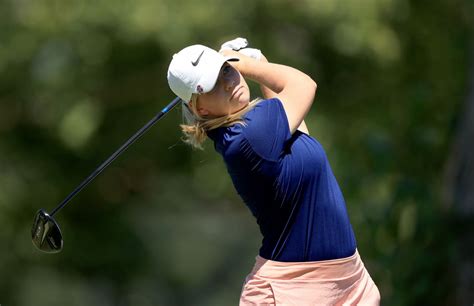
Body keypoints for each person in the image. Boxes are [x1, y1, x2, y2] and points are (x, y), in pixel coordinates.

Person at [167, 38, 380, 305]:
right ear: (200, 108)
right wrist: (244, 63)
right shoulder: (247, 136)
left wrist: (261, 65)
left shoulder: (253, 130)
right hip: (292, 291)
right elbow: (304, 84)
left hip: (346, 281)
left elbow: (299, 130)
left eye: (226, 70)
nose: (229, 82)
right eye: (213, 84)